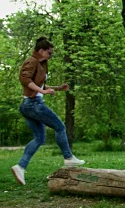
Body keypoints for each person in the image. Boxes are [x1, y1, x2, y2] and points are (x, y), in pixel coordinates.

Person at [11, 37, 85, 185]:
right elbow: (25, 79)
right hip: (34, 104)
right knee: (60, 127)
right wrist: (42, 92)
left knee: (39, 138)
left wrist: (57, 88)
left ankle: (20, 167)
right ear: (41, 51)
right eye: (49, 53)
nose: (51, 56)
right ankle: (68, 158)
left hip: (28, 105)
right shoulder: (32, 61)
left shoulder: (41, 64)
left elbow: (38, 85)